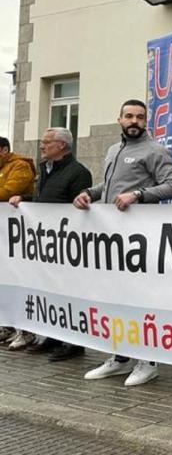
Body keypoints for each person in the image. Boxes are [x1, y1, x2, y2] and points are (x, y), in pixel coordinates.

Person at [73, 99, 172, 386]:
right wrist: (89, 193)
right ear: (119, 119)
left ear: (146, 121)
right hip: (112, 243)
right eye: (129, 116)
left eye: (140, 117)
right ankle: (120, 358)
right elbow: (109, 187)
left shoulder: (155, 150)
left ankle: (148, 361)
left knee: (141, 300)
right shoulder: (112, 150)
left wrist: (139, 195)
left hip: (140, 241)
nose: (134, 121)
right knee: (116, 300)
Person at [9, 128, 92, 360]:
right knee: (50, 291)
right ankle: (52, 337)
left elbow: (80, 208)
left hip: (66, 245)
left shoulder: (78, 173)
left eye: (47, 142)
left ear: (62, 146)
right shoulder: (46, 170)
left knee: (69, 293)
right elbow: (43, 199)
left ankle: (73, 343)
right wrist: (23, 200)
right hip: (46, 246)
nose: (41, 146)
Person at [1, 135, 37, 350]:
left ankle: (26, 330)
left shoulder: (20, 166)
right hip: (4, 235)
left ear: (4, 150)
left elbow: (7, 191)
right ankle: (7, 325)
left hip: (19, 235)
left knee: (18, 279)